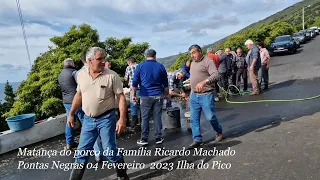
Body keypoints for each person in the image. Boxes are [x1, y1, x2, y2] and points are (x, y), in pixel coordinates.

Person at [68, 47, 129, 180]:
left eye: (104, 58)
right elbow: (79, 95)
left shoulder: (111, 76)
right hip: (88, 120)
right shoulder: (81, 75)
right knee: (81, 153)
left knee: (109, 151)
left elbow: (121, 97)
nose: (103, 61)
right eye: (99, 59)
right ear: (90, 61)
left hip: (106, 118)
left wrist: (122, 119)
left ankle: (122, 175)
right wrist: (71, 113)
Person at [188, 44, 223, 149]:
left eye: (194, 53)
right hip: (194, 95)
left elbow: (216, 75)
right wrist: (191, 93)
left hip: (206, 95)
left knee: (210, 117)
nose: (192, 56)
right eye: (190, 54)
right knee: (194, 119)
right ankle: (197, 139)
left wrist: (204, 82)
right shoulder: (193, 63)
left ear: (200, 51)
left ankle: (219, 132)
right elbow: (193, 79)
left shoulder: (208, 61)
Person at [132, 49, 169, 146]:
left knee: (145, 118)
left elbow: (134, 83)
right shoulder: (160, 66)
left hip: (145, 96)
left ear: (145, 56)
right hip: (158, 95)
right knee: (157, 116)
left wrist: (134, 95)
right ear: (155, 56)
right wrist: (166, 95)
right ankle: (158, 137)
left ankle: (144, 139)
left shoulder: (140, 66)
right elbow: (166, 84)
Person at [58, 58, 84, 150]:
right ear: (72, 64)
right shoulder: (74, 72)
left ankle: (69, 143)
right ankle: (88, 142)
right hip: (76, 101)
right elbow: (81, 85)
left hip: (66, 101)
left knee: (69, 121)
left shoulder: (60, 74)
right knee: (85, 121)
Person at [124, 57, 139, 130]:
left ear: (129, 62)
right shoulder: (139, 66)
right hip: (142, 88)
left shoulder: (128, 68)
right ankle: (142, 121)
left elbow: (126, 78)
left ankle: (134, 123)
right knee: (141, 105)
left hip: (133, 89)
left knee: (133, 105)